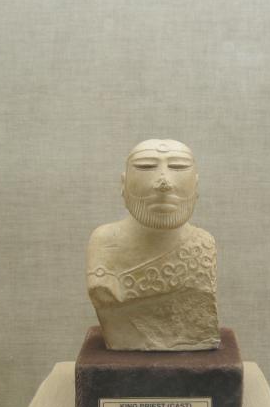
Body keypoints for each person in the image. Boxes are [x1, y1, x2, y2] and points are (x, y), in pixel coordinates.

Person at [87, 139, 220, 351]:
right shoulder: (105, 243)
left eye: (178, 167)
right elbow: (103, 295)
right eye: (146, 167)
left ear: (196, 185)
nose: (164, 183)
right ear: (123, 183)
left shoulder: (203, 243)